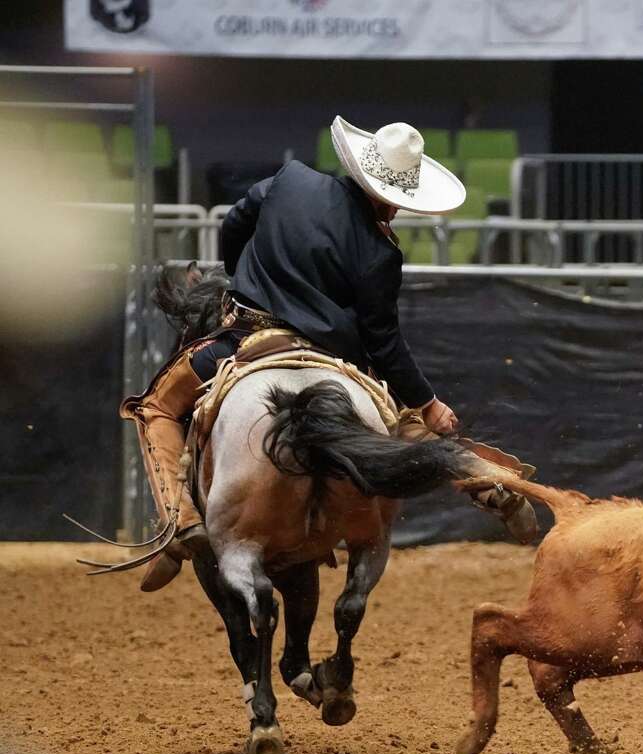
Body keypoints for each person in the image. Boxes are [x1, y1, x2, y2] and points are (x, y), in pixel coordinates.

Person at [121, 116, 535, 592]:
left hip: (245, 336)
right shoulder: (381, 251)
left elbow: (234, 223)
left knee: (156, 406)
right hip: (336, 356)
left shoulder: (290, 180)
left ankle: (180, 522)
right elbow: (384, 341)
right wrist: (427, 402)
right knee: (401, 428)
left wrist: (243, 278)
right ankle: (482, 480)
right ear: (389, 196)